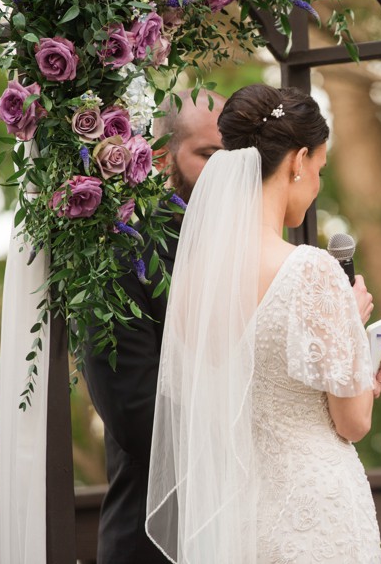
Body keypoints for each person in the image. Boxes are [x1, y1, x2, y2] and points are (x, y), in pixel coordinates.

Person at [145, 83, 381, 563]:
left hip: (240, 512)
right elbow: (353, 422)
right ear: (298, 160)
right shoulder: (311, 270)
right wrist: (351, 334)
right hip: (316, 508)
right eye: (320, 170)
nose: (317, 184)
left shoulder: (193, 280)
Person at [83, 89, 225, 564]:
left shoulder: (254, 250)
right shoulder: (124, 252)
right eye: (209, 155)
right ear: (162, 157)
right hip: (156, 534)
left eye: (235, 158)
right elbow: (133, 408)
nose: (225, 172)